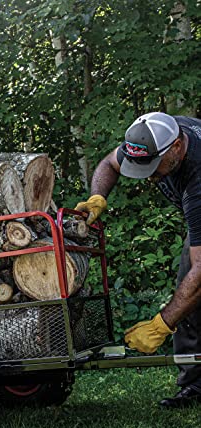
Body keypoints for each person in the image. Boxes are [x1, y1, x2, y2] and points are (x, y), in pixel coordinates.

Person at [75, 112, 201, 408]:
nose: (149, 176)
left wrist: (161, 324)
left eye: (153, 168)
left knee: (193, 285)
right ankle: (195, 386)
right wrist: (97, 198)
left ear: (177, 148)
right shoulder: (154, 137)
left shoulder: (198, 177)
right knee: (189, 292)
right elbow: (109, 163)